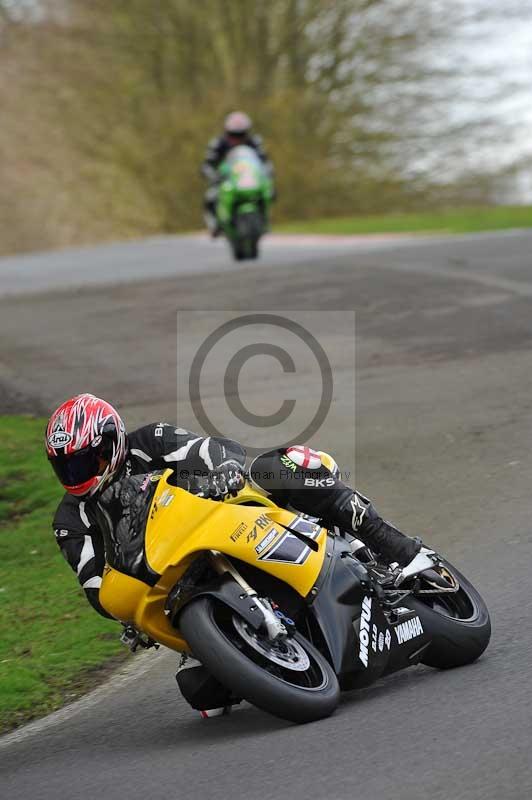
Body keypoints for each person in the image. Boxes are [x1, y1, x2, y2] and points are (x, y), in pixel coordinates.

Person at [46, 393, 421, 714]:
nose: (77, 474)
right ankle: (258, 652)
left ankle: (395, 547)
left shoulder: (150, 441)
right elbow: (95, 585)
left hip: (228, 519)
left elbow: (209, 449)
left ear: (111, 443)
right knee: (200, 693)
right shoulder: (70, 520)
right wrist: (126, 609)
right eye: (66, 466)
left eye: (85, 461)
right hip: (171, 576)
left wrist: (222, 468)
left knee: (279, 467)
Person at [201, 111, 274, 236]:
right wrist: (214, 176)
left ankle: (265, 219)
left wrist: (268, 172)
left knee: (270, 190)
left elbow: (265, 161)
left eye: (241, 135)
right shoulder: (218, 143)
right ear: (227, 132)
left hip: (250, 177)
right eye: (234, 135)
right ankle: (215, 224)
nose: (237, 138)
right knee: (210, 197)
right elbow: (206, 165)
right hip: (226, 179)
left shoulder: (254, 142)